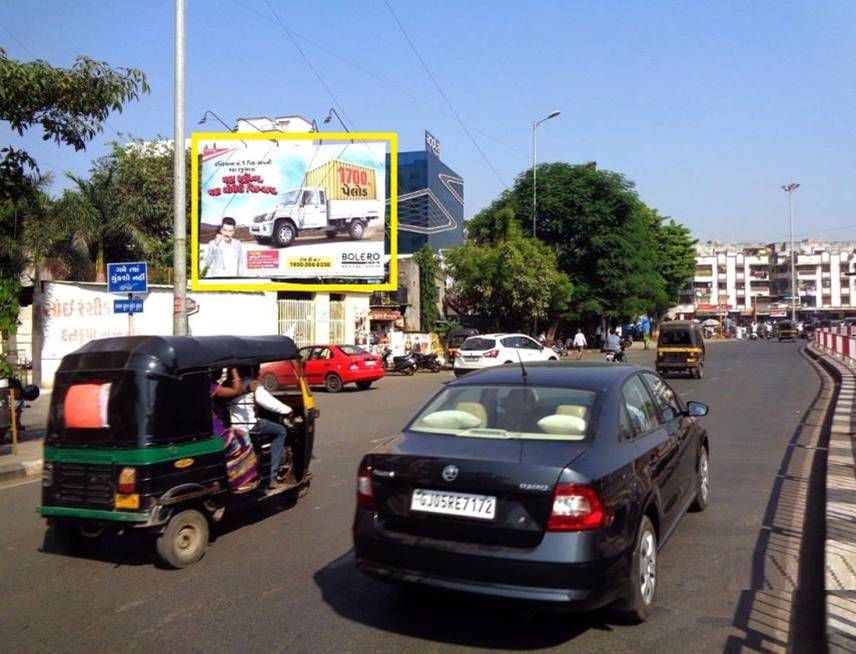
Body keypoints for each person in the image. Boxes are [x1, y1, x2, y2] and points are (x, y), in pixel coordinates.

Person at [227, 366, 293, 491]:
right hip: (249, 425)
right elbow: (267, 401)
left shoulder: (228, 384)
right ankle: (271, 477)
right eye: (256, 369)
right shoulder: (251, 383)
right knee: (280, 431)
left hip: (233, 426)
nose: (258, 372)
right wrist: (288, 410)